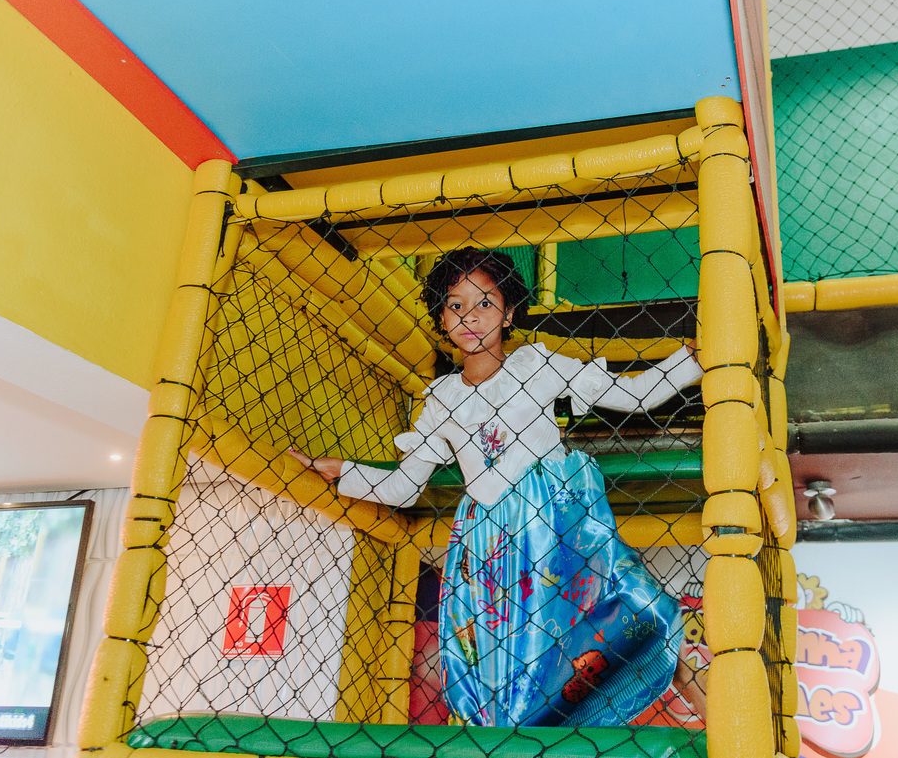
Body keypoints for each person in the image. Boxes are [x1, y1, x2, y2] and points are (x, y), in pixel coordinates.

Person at [290, 247, 705, 727]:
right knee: (504, 674)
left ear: (508, 314)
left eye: (485, 303)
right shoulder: (443, 398)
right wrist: (343, 470)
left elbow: (634, 395)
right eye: (456, 305)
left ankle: (705, 711)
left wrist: (693, 360)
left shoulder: (536, 366)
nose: (470, 316)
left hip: (552, 531)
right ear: (441, 317)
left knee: (634, 613)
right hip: (486, 544)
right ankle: (515, 742)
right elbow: (404, 488)